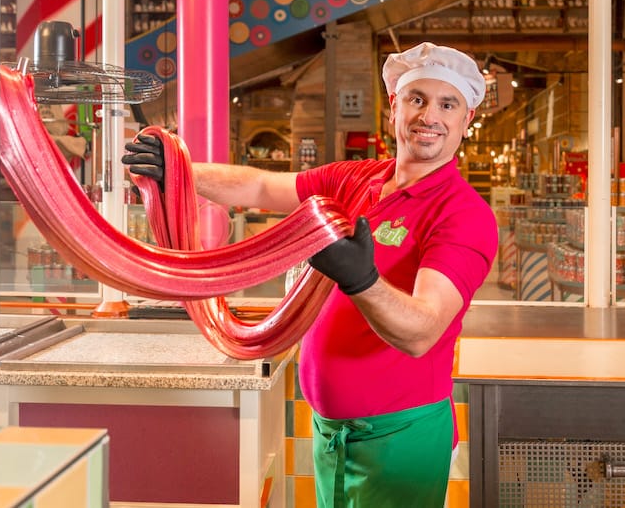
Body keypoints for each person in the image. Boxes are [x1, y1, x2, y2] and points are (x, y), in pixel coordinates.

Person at [123, 42, 498, 507]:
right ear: (394, 110)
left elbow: (421, 331)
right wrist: (180, 172)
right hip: (332, 431)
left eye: (448, 104)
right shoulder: (356, 180)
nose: (430, 116)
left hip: (399, 437)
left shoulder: (463, 214)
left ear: (467, 120)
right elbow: (262, 185)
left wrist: (362, 281)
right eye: (417, 99)